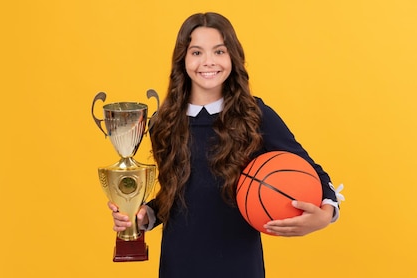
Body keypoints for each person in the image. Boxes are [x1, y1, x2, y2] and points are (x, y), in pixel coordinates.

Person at [108, 12, 343, 278]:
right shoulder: (163, 122)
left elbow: (312, 171)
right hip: (179, 263)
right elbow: (174, 194)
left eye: (219, 51)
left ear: (233, 57)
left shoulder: (256, 115)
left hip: (239, 264)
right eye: (196, 52)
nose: (208, 61)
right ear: (182, 59)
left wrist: (325, 214)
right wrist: (144, 215)